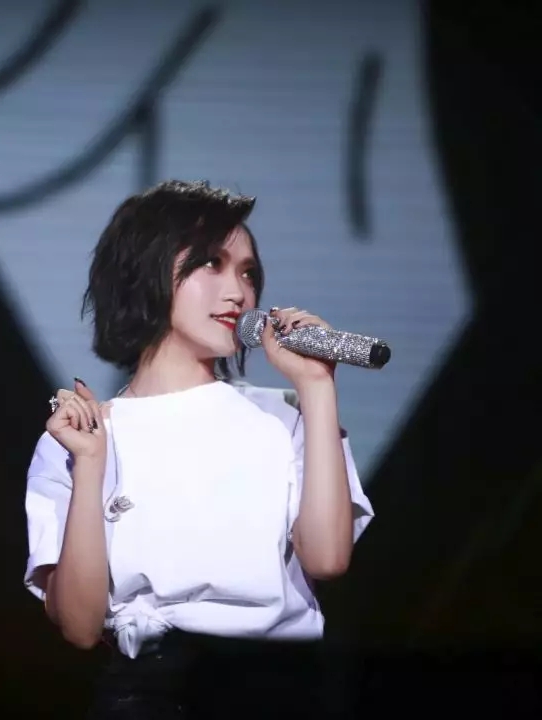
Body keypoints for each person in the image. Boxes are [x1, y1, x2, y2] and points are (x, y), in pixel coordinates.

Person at [23, 180, 374, 719]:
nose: (238, 292)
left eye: (248, 273)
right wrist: (90, 465)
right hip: (149, 695)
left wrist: (318, 386)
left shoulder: (287, 415)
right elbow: (79, 625)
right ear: (146, 271)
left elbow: (327, 558)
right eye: (212, 264)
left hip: (281, 687)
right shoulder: (83, 437)